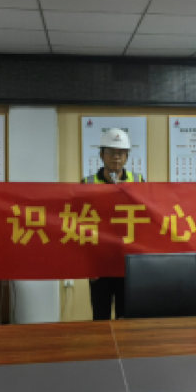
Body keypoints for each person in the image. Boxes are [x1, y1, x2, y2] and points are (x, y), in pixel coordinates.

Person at [82, 128, 144, 320]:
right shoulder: (87, 184)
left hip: (128, 263)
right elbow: (80, 224)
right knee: (100, 317)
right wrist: (87, 265)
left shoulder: (139, 181)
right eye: (111, 152)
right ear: (101, 155)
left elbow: (145, 222)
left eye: (121, 153)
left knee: (126, 318)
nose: (116, 157)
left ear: (127, 157)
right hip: (99, 263)